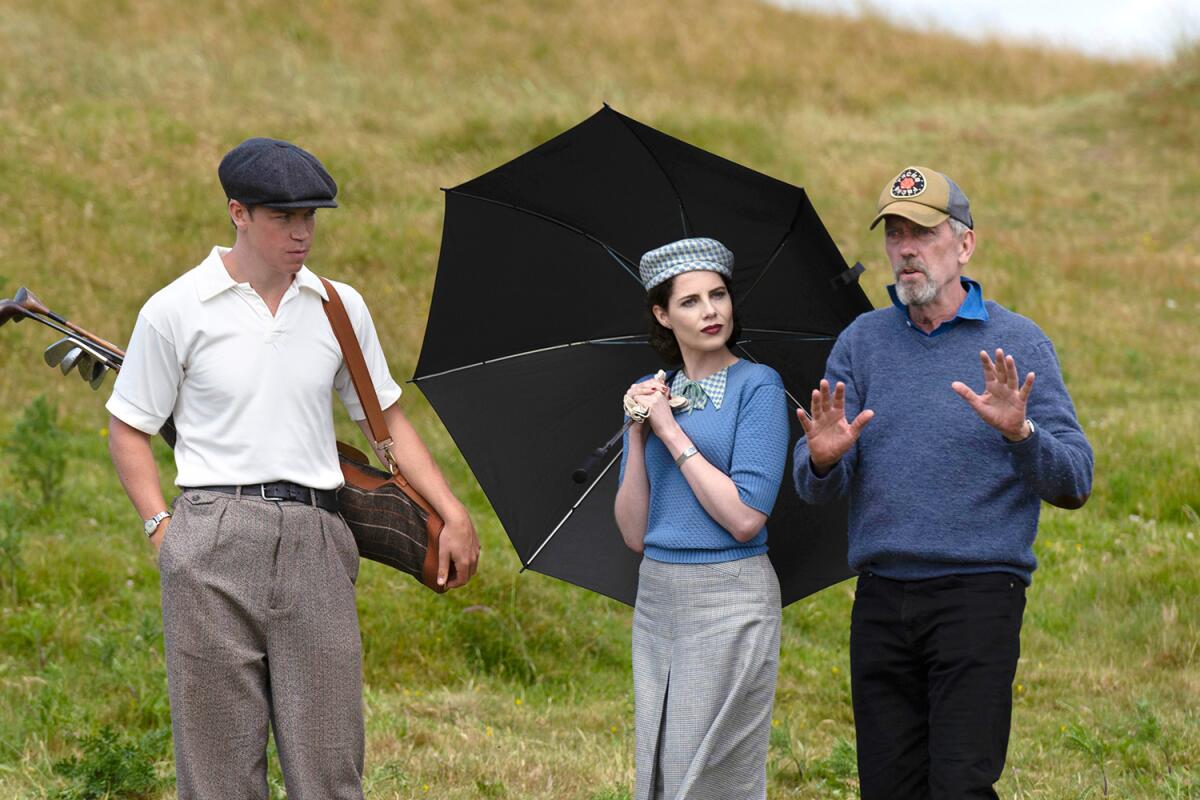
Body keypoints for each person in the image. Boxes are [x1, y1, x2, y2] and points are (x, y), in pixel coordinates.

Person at [105, 137, 480, 799]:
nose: (302, 232)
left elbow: (383, 420)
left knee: (331, 768)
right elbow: (129, 427)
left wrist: (451, 511)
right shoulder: (176, 309)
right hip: (210, 534)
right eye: (284, 218)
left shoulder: (338, 306)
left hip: (317, 537)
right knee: (218, 771)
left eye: (311, 217)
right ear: (238, 212)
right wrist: (162, 530)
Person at [793, 166, 1094, 799]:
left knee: (959, 784)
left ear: (964, 245)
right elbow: (817, 485)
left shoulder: (1017, 342)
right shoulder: (862, 341)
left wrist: (1021, 434)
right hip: (880, 599)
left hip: (978, 595)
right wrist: (821, 458)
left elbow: (1075, 481)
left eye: (923, 233)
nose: (905, 249)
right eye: (895, 234)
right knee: (887, 787)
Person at [614, 237, 789, 800]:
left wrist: (669, 431)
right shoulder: (656, 392)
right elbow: (633, 532)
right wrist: (637, 435)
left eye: (718, 295)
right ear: (662, 314)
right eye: (690, 302)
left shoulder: (757, 387)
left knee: (712, 770)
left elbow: (744, 517)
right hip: (660, 595)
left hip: (732, 595)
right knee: (662, 766)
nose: (711, 311)